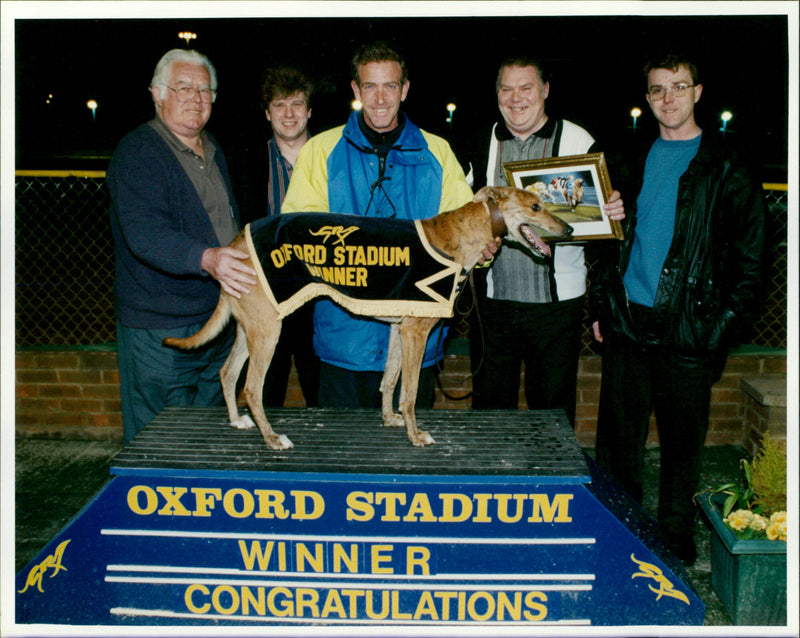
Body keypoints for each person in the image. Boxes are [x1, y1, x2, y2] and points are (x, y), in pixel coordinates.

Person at [590, 53, 765, 565]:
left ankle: (674, 537)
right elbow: (606, 241)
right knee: (618, 443)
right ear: (647, 99)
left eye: (679, 87)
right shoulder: (627, 158)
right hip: (629, 321)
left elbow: (753, 263)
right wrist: (604, 304)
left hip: (689, 327)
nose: (668, 98)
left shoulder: (728, 166)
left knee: (682, 445)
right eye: (658, 89)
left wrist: (717, 332)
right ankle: (619, 526)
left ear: (698, 92)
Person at [281, 41, 475, 409]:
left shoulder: (438, 152)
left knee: (409, 461)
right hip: (344, 345)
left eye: (390, 86)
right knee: (344, 458)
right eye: (370, 86)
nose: (381, 98)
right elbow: (299, 234)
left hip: (415, 345)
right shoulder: (320, 151)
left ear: (404, 89)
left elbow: (465, 235)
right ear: (356, 90)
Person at [108, 49, 257, 442]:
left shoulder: (211, 147)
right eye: (184, 88)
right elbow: (144, 233)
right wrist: (207, 258)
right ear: (157, 94)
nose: (196, 97)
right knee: (157, 441)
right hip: (161, 330)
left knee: (206, 436)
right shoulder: (138, 152)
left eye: (205, 90)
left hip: (214, 320)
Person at [468, 56, 624, 425]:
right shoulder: (480, 140)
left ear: (545, 91)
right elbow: (464, 213)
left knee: (552, 415)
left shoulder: (577, 139)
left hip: (557, 307)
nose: (516, 98)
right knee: (490, 415)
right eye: (506, 89)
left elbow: (599, 220)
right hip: (493, 305)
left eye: (526, 88)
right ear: (497, 94)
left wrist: (614, 209)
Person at [240, 66, 320, 407]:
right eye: (279, 105)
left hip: (319, 295)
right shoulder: (247, 162)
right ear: (267, 112)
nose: (289, 114)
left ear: (309, 110)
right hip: (268, 295)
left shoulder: (329, 158)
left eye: (297, 104)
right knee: (266, 390)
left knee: (321, 392)